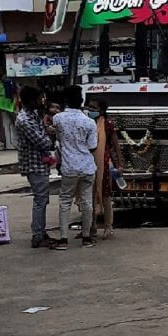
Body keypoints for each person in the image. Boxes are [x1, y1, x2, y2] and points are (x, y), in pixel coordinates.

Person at [52, 85, 99, 249]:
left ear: (65, 100)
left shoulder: (58, 119)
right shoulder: (89, 122)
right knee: (87, 201)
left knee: (65, 200)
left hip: (69, 166)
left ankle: (63, 239)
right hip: (87, 166)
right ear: (82, 101)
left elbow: (58, 140)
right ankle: (86, 237)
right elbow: (92, 147)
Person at [15, 85, 60, 249]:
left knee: (43, 199)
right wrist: (49, 135)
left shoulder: (33, 114)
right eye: (39, 98)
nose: (42, 101)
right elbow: (42, 142)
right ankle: (38, 236)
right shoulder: (24, 120)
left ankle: (41, 232)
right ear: (31, 100)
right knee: (40, 200)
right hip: (33, 164)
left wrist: (47, 131)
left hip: (40, 163)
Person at [91, 99, 124, 239]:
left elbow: (115, 145)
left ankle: (108, 226)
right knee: (90, 196)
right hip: (89, 163)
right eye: (89, 107)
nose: (90, 110)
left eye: (94, 108)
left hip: (104, 164)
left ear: (102, 110)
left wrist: (120, 164)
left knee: (105, 195)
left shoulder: (108, 124)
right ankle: (92, 226)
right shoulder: (87, 123)